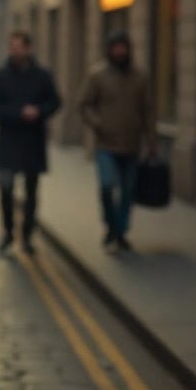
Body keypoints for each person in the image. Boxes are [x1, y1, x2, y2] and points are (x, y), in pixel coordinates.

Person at [0, 31, 61, 255]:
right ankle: (8, 232)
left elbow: (55, 101)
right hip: (8, 141)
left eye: (19, 47)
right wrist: (18, 113)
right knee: (6, 189)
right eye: (12, 47)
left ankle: (27, 235)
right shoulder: (0, 76)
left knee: (31, 192)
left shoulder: (42, 76)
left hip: (32, 142)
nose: (15, 51)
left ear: (28, 48)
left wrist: (39, 111)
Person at [78, 31, 157, 253]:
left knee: (128, 192)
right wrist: (97, 123)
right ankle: (110, 225)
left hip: (132, 145)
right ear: (109, 50)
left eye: (123, 47)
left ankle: (120, 231)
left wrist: (151, 141)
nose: (120, 52)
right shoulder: (98, 76)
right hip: (106, 145)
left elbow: (148, 111)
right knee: (106, 186)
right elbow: (84, 104)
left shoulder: (140, 78)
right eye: (116, 47)